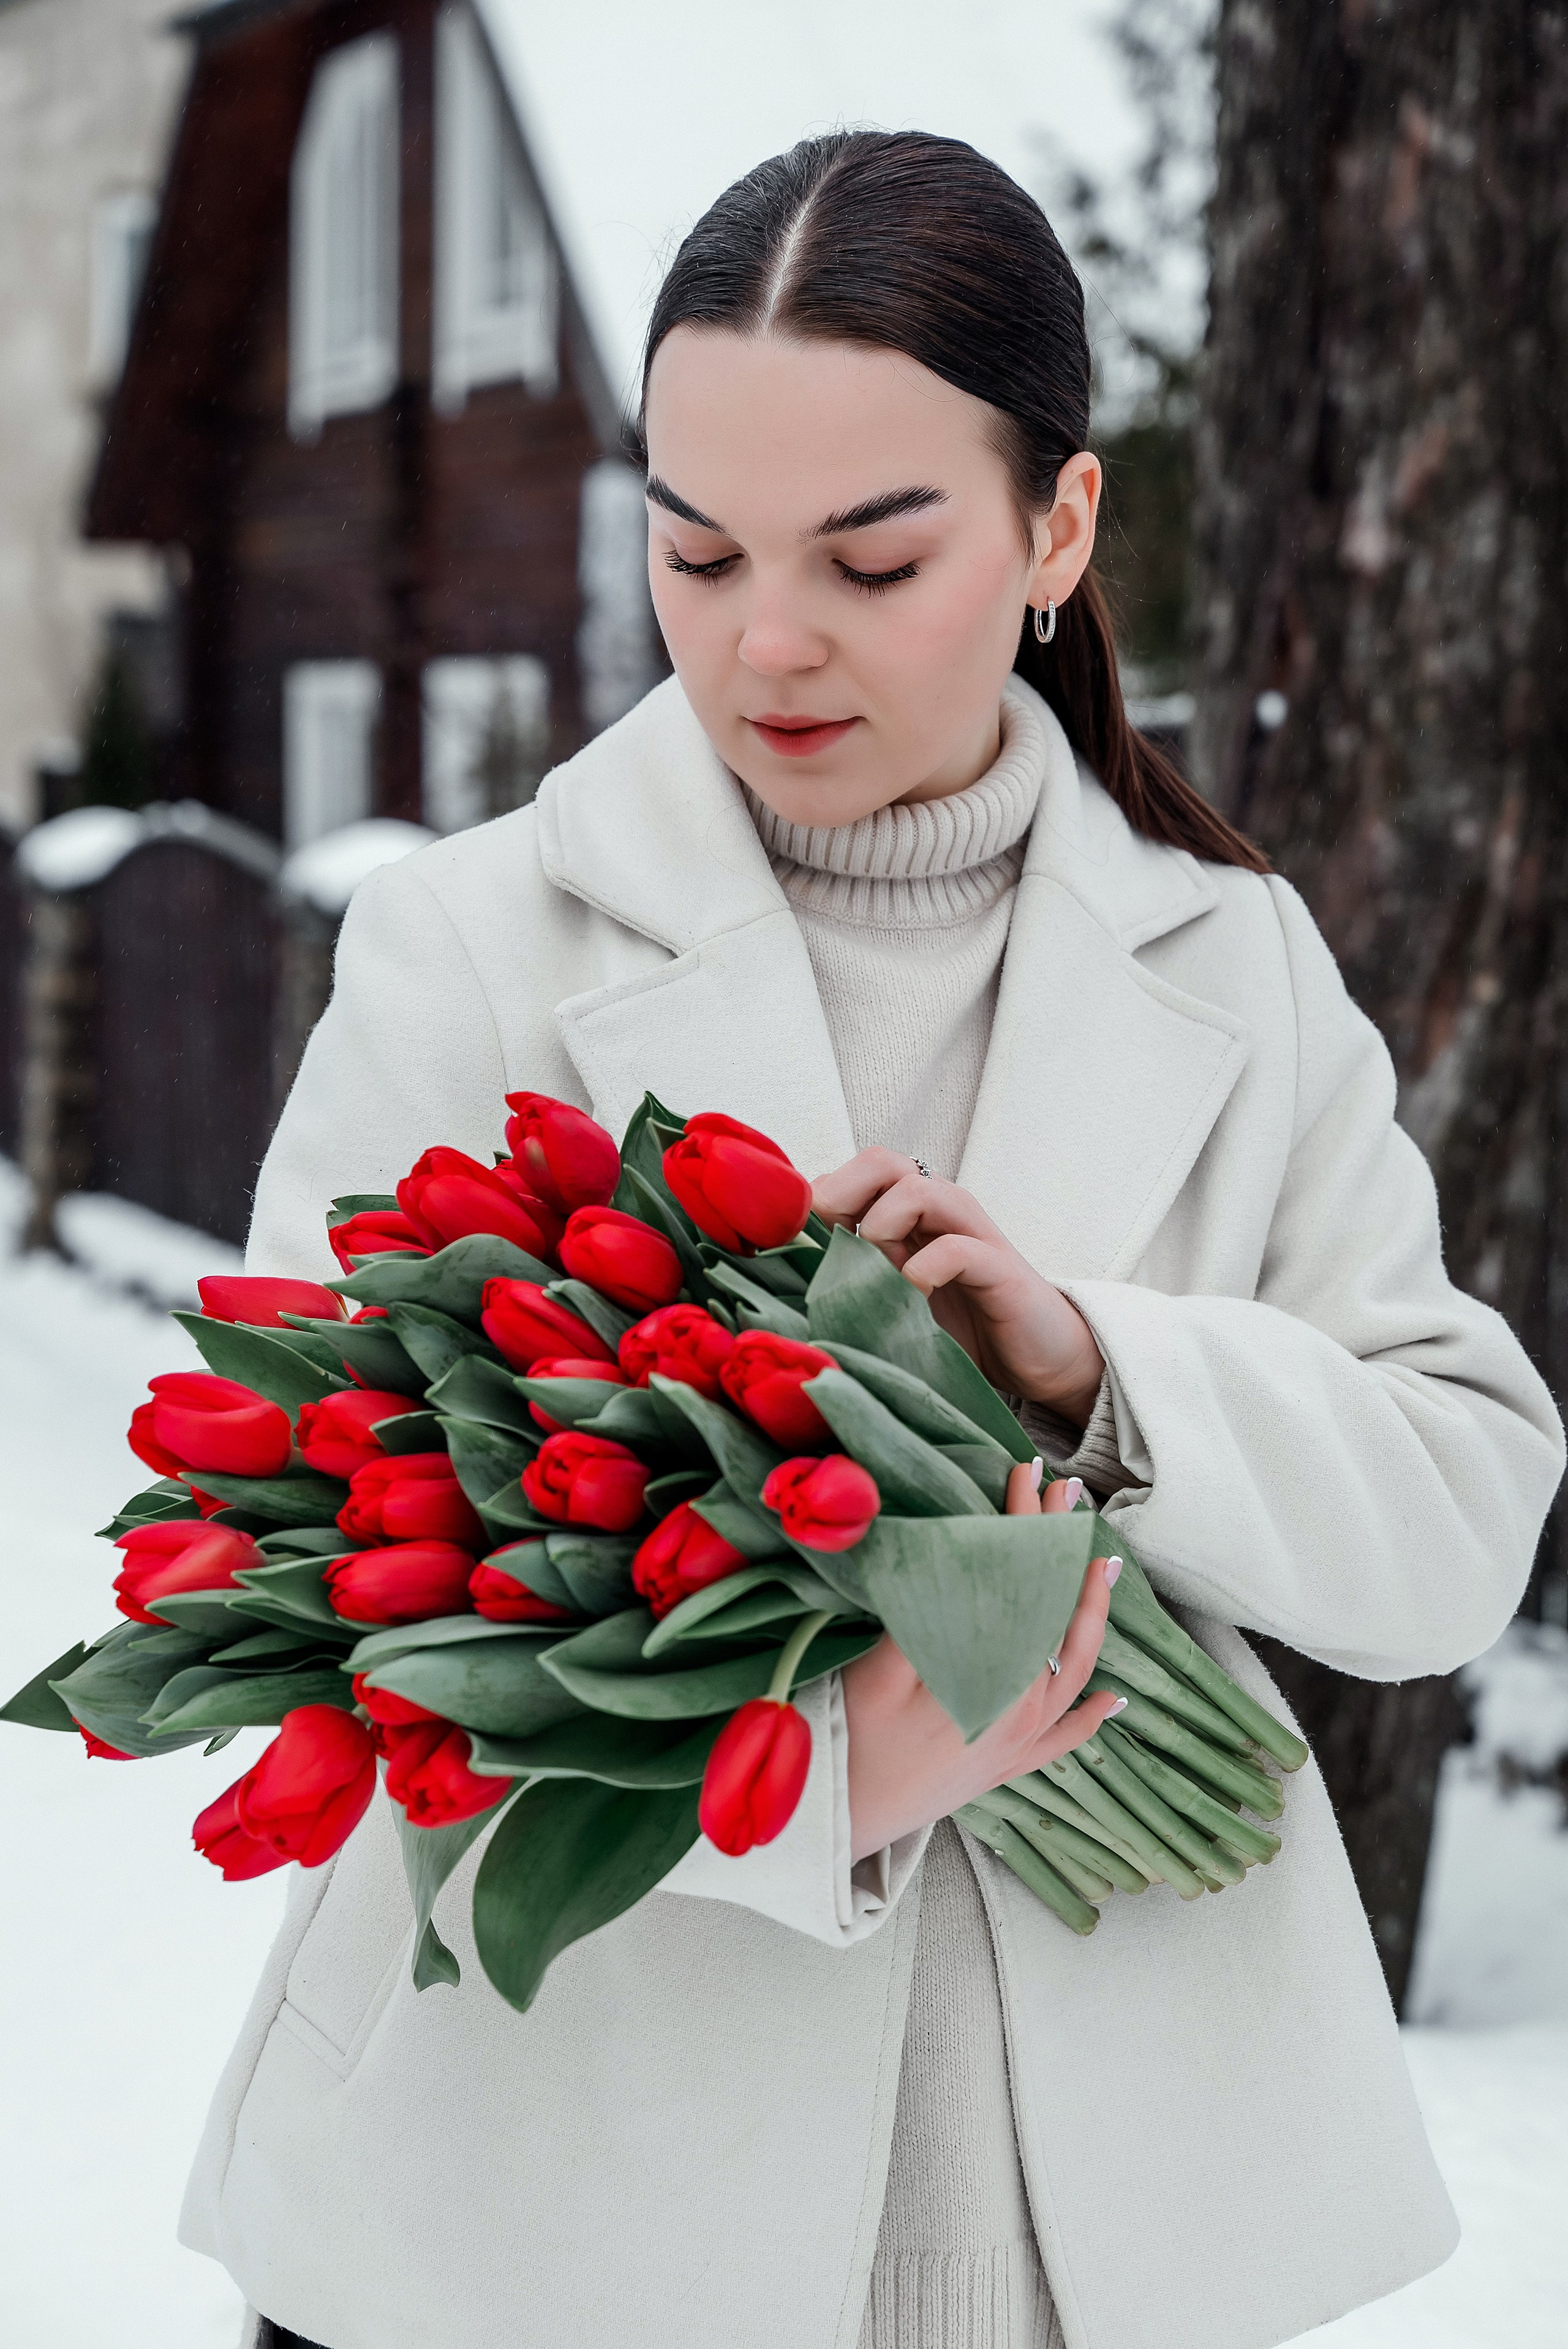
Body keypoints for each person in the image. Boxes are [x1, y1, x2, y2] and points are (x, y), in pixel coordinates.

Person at [184, 132, 1563, 2349]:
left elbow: (1459, 1509)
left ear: (1059, 529)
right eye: (697, 548)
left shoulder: (1237, 961)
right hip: (553, 2205)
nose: (766, 641)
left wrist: (1099, 1368)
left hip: (1096, 2235)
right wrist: (815, 1776)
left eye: (871, 554)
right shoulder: (471, 948)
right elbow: (313, 1573)